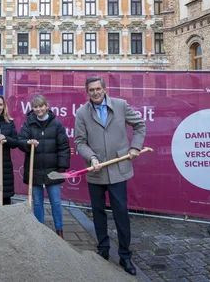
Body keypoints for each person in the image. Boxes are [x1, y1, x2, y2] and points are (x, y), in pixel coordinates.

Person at [74, 76, 146, 276]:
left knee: (121, 213)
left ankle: (125, 255)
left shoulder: (121, 106)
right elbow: (79, 141)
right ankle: (103, 249)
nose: (95, 93)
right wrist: (92, 157)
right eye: (91, 90)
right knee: (98, 212)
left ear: (105, 89)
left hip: (118, 169)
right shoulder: (82, 113)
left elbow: (139, 125)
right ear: (87, 92)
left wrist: (135, 147)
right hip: (96, 170)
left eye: (98, 89)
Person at [17, 95, 70, 238]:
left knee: (56, 201)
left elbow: (64, 146)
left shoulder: (56, 124)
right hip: (34, 169)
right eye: (35, 107)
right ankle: (39, 229)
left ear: (47, 106)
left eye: (41, 106)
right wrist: (27, 143)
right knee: (38, 202)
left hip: (53, 170)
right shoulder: (29, 123)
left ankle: (59, 230)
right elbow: (20, 140)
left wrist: (62, 167)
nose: (39, 109)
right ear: (32, 108)